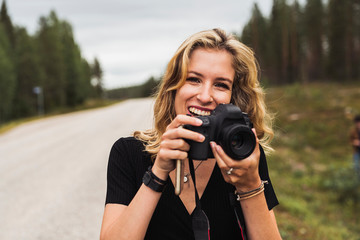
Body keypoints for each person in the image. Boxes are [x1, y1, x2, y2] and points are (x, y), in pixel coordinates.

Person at [100, 28, 282, 240]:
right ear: (174, 87)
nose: (205, 96)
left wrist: (250, 185)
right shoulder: (129, 153)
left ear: (233, 97)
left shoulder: (243, 155)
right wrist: (157, 172)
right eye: (194, 79)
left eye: (221, 85)